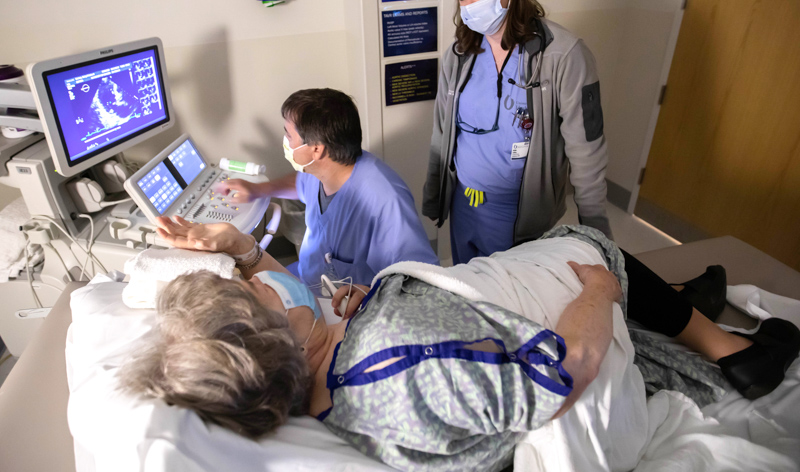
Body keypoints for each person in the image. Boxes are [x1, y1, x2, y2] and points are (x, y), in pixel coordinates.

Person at [130, 219, 800, 471]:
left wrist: (243, 250)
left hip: (447, 315)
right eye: (256, 291)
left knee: (579, 250)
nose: (271, 283)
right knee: (592, 248)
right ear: (277, 336)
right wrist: (597, 294)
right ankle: (730, 352)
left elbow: (286, 299)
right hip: (563, 344)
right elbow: (566, 370)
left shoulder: (322, 368)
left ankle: (678, 301)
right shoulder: (397, 360)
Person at [423, 0, 612, 265]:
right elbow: (442, 130)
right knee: (470, 294)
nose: (470, 5)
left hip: (520, 215)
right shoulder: (460, 54)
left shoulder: (563, 56)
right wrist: (434, 194)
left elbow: (587, 152)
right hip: (464, 203)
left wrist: (597, 236)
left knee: (510, 303)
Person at [220, 88, 439, 294]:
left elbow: (418, 280)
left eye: (289, 135)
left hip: (350, 306)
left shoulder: (385, 201)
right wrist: (260, 189)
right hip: (310, 279)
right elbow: (300, 184)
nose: (285, 142)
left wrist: (368, 295)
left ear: (316, 149)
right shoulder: (322, 170)